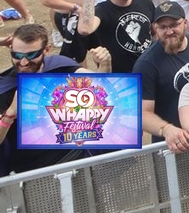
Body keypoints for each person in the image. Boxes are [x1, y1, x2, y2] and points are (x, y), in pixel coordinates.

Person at [0, 24, 111, 175]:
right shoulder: (6, 88)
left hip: (75, 155)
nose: (24, 62)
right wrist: (10, 114)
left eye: (31, 55)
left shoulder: (59, 67)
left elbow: (101, 89)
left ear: (46, 50)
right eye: (17, 55)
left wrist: (104, 65)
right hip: (34, 170)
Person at [133, 1, 189, 154]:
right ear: (155, 28)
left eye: (174, 25)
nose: (169, 31)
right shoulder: (146, 64)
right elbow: (142, 113)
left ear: (185, 23)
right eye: (163, 27)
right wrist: (166, 129)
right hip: (174, 146)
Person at [77, 0, 155, 73]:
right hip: (123, 76)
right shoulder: (102, 11)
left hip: (149, 71)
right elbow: (85, 29)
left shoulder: (145, 2)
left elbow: (155, 33)